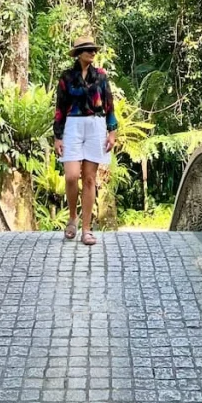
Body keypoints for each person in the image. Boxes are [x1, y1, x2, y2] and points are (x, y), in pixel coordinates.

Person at [53, 34, 118, 246]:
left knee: (89, 178)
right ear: (79, 53)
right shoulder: (66, 77)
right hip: (72, 125)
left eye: (94, 50)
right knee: (71, 176)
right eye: (88, 49)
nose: (92, 52)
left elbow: (109, 105)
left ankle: (87, 229)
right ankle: (73, 218)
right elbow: (60, 108)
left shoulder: (100, 76)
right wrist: (57, 136)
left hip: (96, 125)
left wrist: (112, 132)